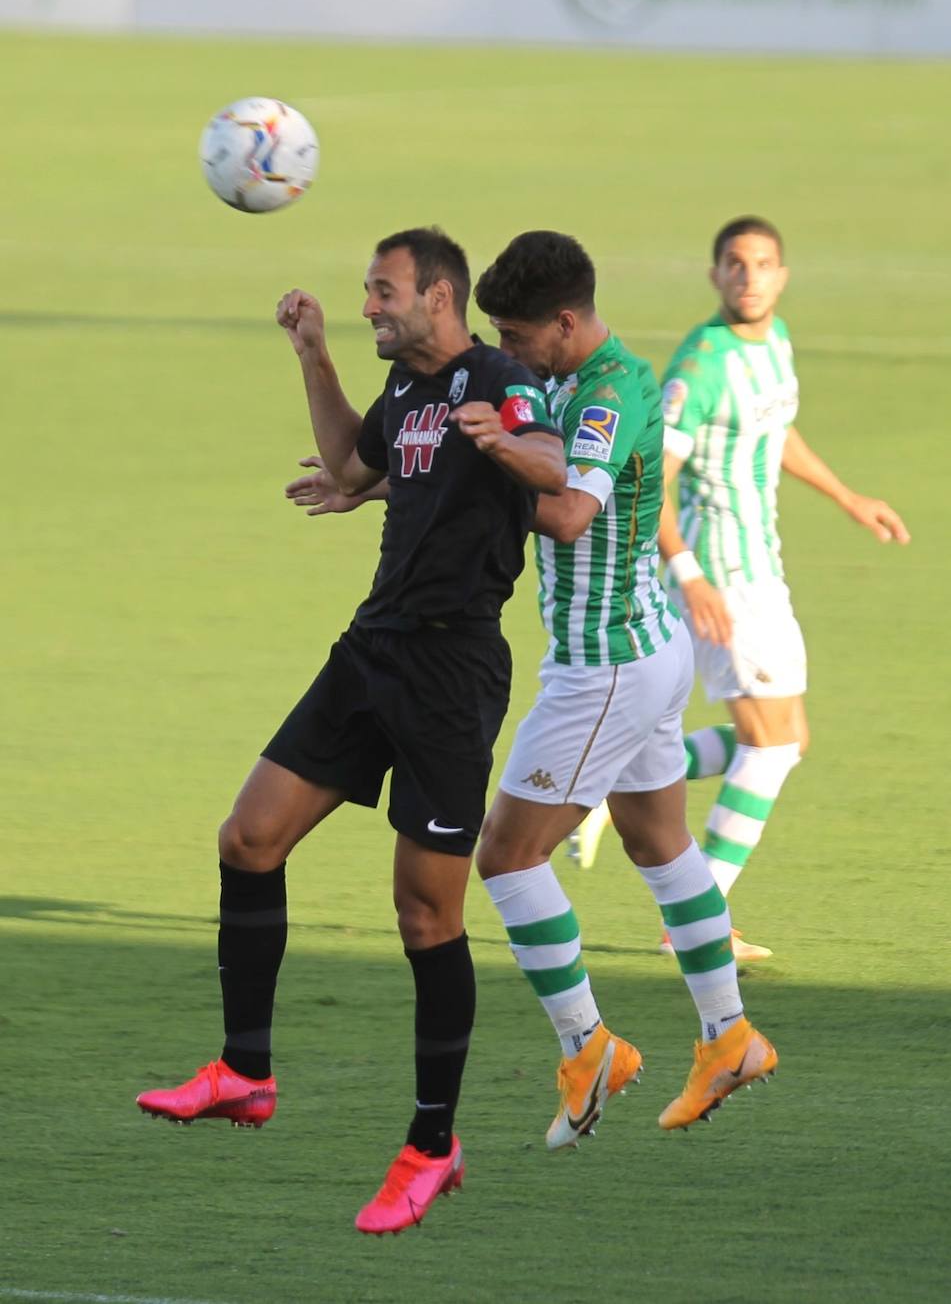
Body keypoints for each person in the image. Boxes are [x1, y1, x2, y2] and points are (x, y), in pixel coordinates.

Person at [294, 231, 780, 1138]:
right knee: (659, 843)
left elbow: (567, 514)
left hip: (604, 663)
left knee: (506, 858)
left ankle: (588, 1049)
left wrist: (491, 449)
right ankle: (728, 1036)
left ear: (564, 322)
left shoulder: (608, 392)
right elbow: (489, 473)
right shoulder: (559, 379)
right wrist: (383, 485)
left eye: (516, 336)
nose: (504, 350)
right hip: (648, 642)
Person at [136, 227, 566, 1236]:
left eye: (382, 292)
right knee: (248, 838)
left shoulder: (497, 378)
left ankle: (431, 1145)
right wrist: (313, 352)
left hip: (451, 673)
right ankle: (245, 1072)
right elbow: (346, 460)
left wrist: (500, 443)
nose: (370, 305)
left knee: (424, 916)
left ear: (438, 296)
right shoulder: (408, 391)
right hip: (372, 650)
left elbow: (550, 464)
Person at [569, 216, 910, 963]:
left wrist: (849, 498)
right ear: (714, 275)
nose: (749, 276)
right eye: (734, 263)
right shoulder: (702, 365)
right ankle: (695, 918)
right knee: (770, 744)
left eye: (761, 264)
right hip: (723, 576)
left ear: (781, 276)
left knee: (787, 741)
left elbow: (775, 431)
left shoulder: (774, 341)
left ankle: (612, 789)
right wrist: (691, 576)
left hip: (760, 570)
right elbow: (649, 478)